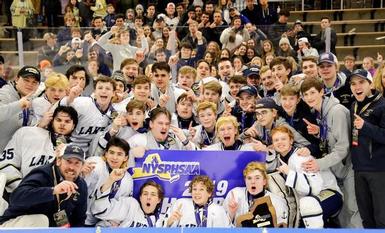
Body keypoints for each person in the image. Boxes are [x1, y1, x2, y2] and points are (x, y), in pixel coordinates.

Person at [300, 77, 361, 228]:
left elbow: (342, 148)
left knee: (353, 210)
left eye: (313, 93)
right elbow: (332, 135)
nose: (309, 97)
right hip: (337, 168)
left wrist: (319, 164)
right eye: (306, 94)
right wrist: (319, 132)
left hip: (349, 168)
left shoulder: (336, 111)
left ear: (322, 92)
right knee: (343, 212)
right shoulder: (320, 111)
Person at [270, 126, 343, 228]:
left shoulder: (300, 156)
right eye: (276, 140)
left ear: (291, 140)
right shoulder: (280, 159)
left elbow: (314, 188)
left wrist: (290, 173)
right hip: (309, 201)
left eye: (283, 139)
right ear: (272, 144)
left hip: (329, 193)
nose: (280, 142)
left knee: (307, 205)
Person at [0, 144, 87, 227]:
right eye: (68, 161)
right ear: (58, 161)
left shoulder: (81, 185)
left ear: (82, 166)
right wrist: (52, 190)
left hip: (47, 228)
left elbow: (79, 219)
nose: (72, 167)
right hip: (12, 224)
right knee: (41, 220)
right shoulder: (43, 174)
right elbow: (15, 198)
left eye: (77, 163)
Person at [0, 106, 78, 194]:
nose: (62, 124)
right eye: (58, 120)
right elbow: (6, 164)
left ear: (73, 126)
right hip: (18, 194)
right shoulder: (27, 133)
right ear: (52, 122)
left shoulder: (75, 152)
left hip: (49, 200)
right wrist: (22, 188)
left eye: (67, 121)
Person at [349, 69, 385, 228]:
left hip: (378, 170)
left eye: (362, 82)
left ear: (370, 84)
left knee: (381, 218)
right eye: (353, 83)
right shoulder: (354, 106)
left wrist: (366, 126)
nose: (357, 86)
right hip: (358, 168)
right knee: (366, 218)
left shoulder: (382, 105)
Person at [60, 76, 116, 154]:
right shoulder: (82, 103)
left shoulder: (114, 115)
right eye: (100, 88)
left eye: (108, 89)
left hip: (94, 152)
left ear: (113, 93)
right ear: (94, 92)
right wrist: (70, 98)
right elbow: (60, 112)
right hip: (70, 147)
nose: (104, 91)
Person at [84, 137, 133, 226]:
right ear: (106, 154)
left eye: (119, 154)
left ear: (126, 158)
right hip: (76, 217)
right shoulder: (94, 164)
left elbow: (118, 207)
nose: (114, 157)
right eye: (111, 152)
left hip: (99, 223)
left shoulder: (127, 180)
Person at [223, 161, 288, 227]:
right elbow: (222, 226)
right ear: (245, 180)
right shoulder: (235, 195)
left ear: (264, 181)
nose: (253, 182)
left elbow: (282, 228)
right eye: (249, 178)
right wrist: (231, 213)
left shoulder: (277, 202)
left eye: (257, 178)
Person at [0, 66, 40, 152]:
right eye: (26, 80)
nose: (30, 84)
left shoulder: (30, 98)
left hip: (13, 155)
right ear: (17, 79)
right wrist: (18, 105)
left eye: (34, 82)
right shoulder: (4, 93)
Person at [164, 175, 231, 227]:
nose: (197, 192)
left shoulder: (218, 210)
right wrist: (169, 222)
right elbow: (162, 227)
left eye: (201, 189)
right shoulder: (181, 204)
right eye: (194, 189)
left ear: (209, 193)